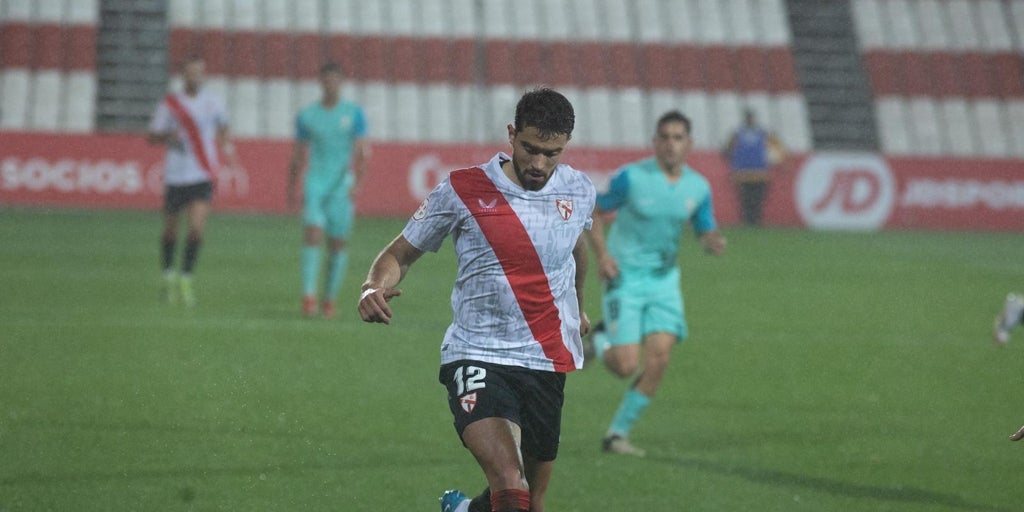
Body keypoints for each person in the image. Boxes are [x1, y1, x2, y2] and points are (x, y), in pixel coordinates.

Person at [357, 88, 595, 512]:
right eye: (530, 149)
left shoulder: (578, 190)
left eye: (552, 153)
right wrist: (372, 286)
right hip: (476, 353)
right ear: (511, 135)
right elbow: (399, 253)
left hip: (544, 358)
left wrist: (578, 306)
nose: (539, 164)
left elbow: (577, 250)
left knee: (530, 500)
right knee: (509, 481)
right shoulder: (464, 188)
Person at [584, 110, 726, 457]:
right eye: (664, 137)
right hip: (625, 278)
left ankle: (617, 434)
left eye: (678, 138)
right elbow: (594, 211)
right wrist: (603, 256)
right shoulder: (631, 178)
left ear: (689, 144)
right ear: (655, 142)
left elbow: (704, 225)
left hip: (664, 281)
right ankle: (599, 340)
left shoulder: (698, 187)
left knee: (659, 359)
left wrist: (711, 241)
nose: (670, 145)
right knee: (625, 366)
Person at [148, 55, 238, 306]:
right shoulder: (170, 103)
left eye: (199, 72)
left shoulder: (213, 102)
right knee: (170, 230)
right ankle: (167, 275)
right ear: (183, 75)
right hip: (176, 175)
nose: (195, 76)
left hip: (202, 174)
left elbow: (223, 128)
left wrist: (228, 149)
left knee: (197, 228)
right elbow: (152, 136)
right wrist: (168, 135)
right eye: (190, 72)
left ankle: (186, 278)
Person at [287, 62, 371, 318]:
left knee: (337, 243)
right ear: (321, 82)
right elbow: (299, 155)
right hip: (315, 182)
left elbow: (362, 152)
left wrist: (356, 183)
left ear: (341, 82)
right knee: (312, 234)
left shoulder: (353, 114)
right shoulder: (307, 116)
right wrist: (292, 186)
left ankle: (329, 300)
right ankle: (309, 297)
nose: (330, 84)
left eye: (335, 80)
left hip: (340, 186)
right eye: (327, 80)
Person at [722, 108, 786, 226]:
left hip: (756, 174)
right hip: (746, 174)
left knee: (755, 200)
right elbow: (727, 151)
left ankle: (754, 221)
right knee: (747, 200)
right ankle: (749, 221)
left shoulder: (744, 134)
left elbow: (726, 151)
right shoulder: (754, 134)